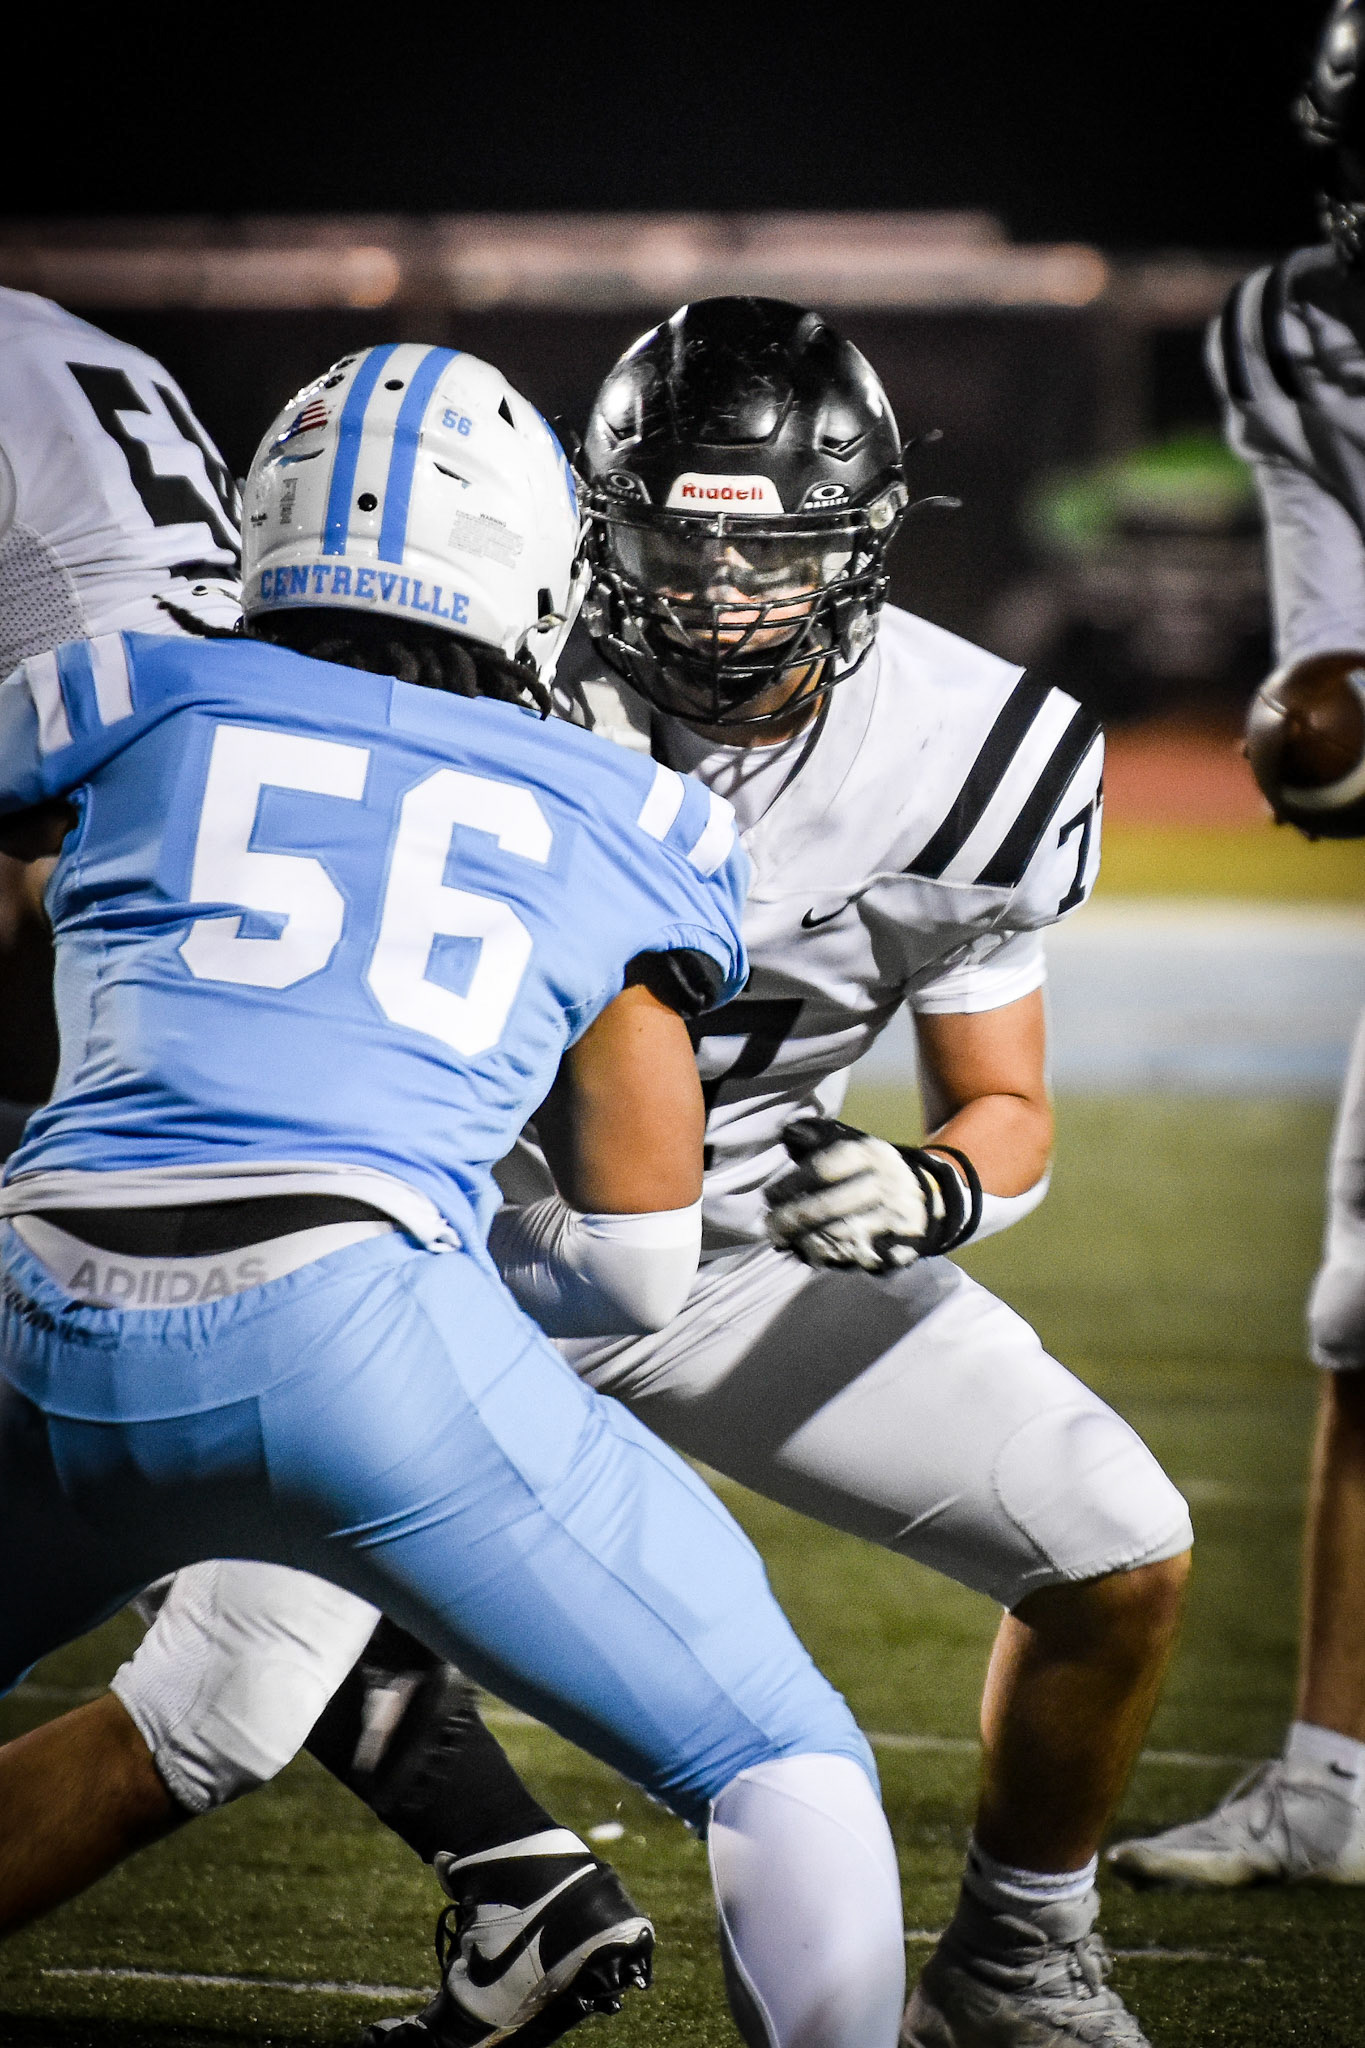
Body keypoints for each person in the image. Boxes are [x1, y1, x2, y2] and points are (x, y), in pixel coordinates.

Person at [6, 300, 1195, 2048]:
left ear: (865, 540)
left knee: (1116, 1538)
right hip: (441, 1248)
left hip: (726, 1243)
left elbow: (1003, 1106)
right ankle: (533, 1893)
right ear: (580, 535)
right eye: (672, 545)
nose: (719, 592)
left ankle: (1018, 1962)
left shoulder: (974, 750)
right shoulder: (484, 656)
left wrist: (929, 1187)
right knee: (216, 1713)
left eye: (771, 550)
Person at [0, 292, 662, 2048]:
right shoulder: (75, 359)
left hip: (134, 970)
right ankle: (516, 1868)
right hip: (270, 1011)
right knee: (222, 1603)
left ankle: (515, 1869)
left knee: (212, 1671)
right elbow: (637, 1250)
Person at [1109, 0, 1365, 1890]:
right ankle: (1335, 1783)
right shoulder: (1295, 330)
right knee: (1363, 1320)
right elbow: (1324, 673)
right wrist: (1315, 728)